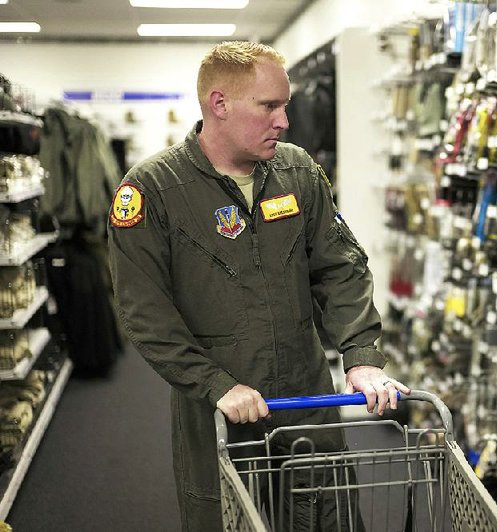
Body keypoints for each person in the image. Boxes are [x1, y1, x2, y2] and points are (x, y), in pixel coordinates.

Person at [107, 41, 409, 531]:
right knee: (229, 518)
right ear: (219, 104)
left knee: (327, 516)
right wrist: (215, 385)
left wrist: (361, 358)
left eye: (284, 105)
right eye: (269, 106)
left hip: (307, 396)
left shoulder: (297, 172)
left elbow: (340, 268)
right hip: (220, 410)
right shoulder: (151, 191)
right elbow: (145, 313)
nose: (284, 120)